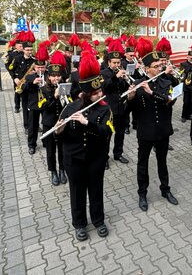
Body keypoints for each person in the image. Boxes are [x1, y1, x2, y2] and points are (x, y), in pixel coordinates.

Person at [55, 50, 113, 241]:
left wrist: (88, 123)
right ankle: (79, 224)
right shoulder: (70, 108)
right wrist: (59, 130)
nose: (100, 94)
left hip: (96, 157)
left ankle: (98, 220)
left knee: (96, 190)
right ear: (86, 94)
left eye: (100, 91)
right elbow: (60, 137)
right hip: (74, 159)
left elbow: (108, 131)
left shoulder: (105, 109)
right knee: (77, 192)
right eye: (96, 93)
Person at [128, 38, 178, 212]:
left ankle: (165, 189)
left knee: (162, 162)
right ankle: (142, 193)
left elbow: (169, 102)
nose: (160, 68)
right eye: (156, 66)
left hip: (163, 130)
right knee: (142, 163)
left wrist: (152, 92)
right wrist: (130, 98)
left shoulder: (166, 82)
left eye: (160, 65)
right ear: (147, 68)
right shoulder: (136, 84)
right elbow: (126, 110)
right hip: (145, 131)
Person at [101, 39, 130, 164]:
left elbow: (124, 89)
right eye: (114, 63)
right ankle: (104, 158)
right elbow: (104, 87)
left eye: (118, 62)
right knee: (107, 135)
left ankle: (118, 154)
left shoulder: (121, 72)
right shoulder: (103, 73)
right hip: (109, 109)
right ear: (109, 62)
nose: (117, 65)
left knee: (120, 134)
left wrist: (126, 80)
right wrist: (115, 77)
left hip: (121, 108)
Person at [41, 59, 67, 186]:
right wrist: (54, 96)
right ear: (49, 76)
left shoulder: (65, 87)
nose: (56, 78)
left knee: (62, 148)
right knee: (50, 150)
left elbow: (68, 105)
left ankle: (62, 170)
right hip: (49, 123)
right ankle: (53, 171)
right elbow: (44, 107)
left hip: (62, 122)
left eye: (58, 76)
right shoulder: (43, 89)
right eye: (53, 76)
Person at [24, 43, 49, 155]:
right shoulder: (30, 76)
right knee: (33, 126)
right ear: (34, 67)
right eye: (38, 67)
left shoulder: (49, 75)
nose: (40, 69)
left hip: (46, 104)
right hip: (34, 104)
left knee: (47, 124)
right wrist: (32, 83)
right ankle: (32, 145)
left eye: (42, 67)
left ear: (45, 66)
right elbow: (23, 88)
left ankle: (46, 141)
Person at [10, 39, 35, 134]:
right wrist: (14, 78)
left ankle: (34, 124)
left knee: (34, 107)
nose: (29, 52)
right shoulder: (17, 59)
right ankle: (27, 126)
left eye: (31, 50)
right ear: (23, 50)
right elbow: (11, 69)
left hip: (32, 86)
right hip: (22, 85)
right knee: (25, 107)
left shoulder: (34, 60)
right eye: (27, 50)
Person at [5, 39, 23, 113]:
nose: (22, 47)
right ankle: (17, 107)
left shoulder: (24, 53)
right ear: (16, 46)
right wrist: (13, 77)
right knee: (17, 92)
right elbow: (7, 65)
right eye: (20, 46)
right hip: (17, 76)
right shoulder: (11, 54)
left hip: (25, 75)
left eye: (22, 46)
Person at [180, 50, 192, 123]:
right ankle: (183, 116)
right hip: (186, 86)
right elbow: (182, 73)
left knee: (191, 102)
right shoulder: (183, 64)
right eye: (190, 57)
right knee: (186, 102)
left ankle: (189, 115)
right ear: (187, 57)